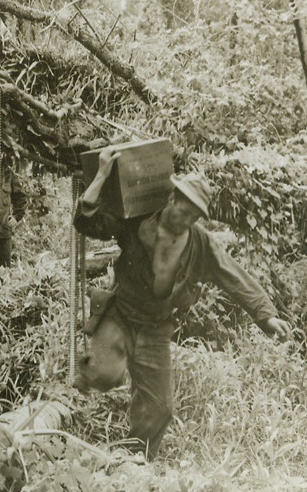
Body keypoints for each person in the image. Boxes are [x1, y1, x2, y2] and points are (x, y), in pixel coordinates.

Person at [73, 147, 290, 461]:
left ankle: (131, 461)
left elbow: (234, 277)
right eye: (183, 211)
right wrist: (102, 175)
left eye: (194, 217)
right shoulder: (138, 221)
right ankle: (62, 402)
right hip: (120, 313)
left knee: (161, 409)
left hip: (156, 326)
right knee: (102, 375)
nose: (186, 220)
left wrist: (266, 317)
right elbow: (87, 222)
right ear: (171, 199)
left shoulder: (199, 242)